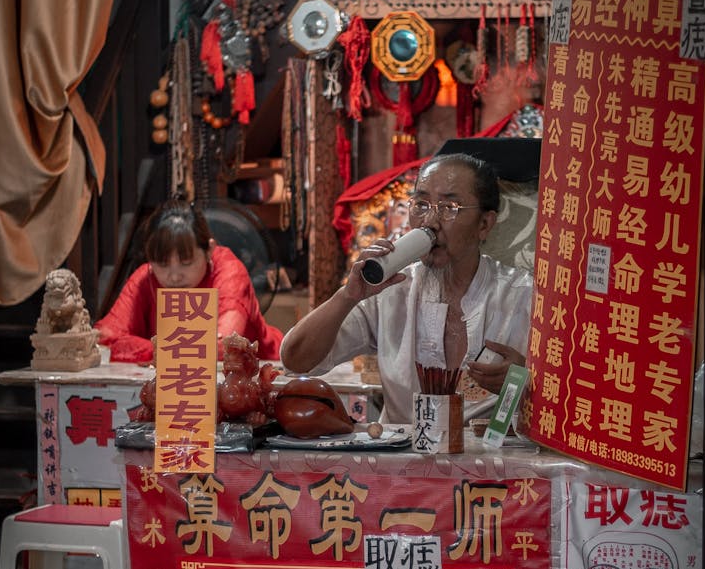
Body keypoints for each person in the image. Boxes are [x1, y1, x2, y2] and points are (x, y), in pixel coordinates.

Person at [280, 153, 533, 423]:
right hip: (402, 458)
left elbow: (573, 397)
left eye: (449, 208)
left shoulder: (524, 297)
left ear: (484, 224)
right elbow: (296, 361)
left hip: (489, 461)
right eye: (421, 205)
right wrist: (347, 296)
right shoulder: (393, 288)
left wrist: (525, 380)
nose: (430, 222)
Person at [96, 198, 283, 364]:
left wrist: (157, 350)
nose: (174, 276)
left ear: (209, 250)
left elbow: (224, 346)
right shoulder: (147, 276)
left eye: (186, 263)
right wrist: (164, 351)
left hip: (265, 370)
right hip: (182, 381)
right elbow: (105, 335)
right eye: (162, 263)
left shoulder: (229, 271)